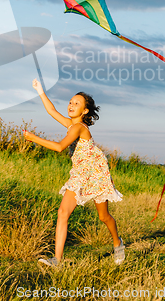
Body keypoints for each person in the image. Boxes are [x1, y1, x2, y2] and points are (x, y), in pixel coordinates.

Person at [23, 79, 125, 267]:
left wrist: (33, 138)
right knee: (63, 212)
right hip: (79, 174)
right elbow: (52, 111)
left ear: (85, 111)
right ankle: (57, 260)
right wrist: (39, 90)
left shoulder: (79, 127)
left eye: (76, 103)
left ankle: (118, 243)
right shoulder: (71, 124)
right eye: (70, 102)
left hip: (95, 174)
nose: (71, 105)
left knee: (103, 217)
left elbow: (60, 147)